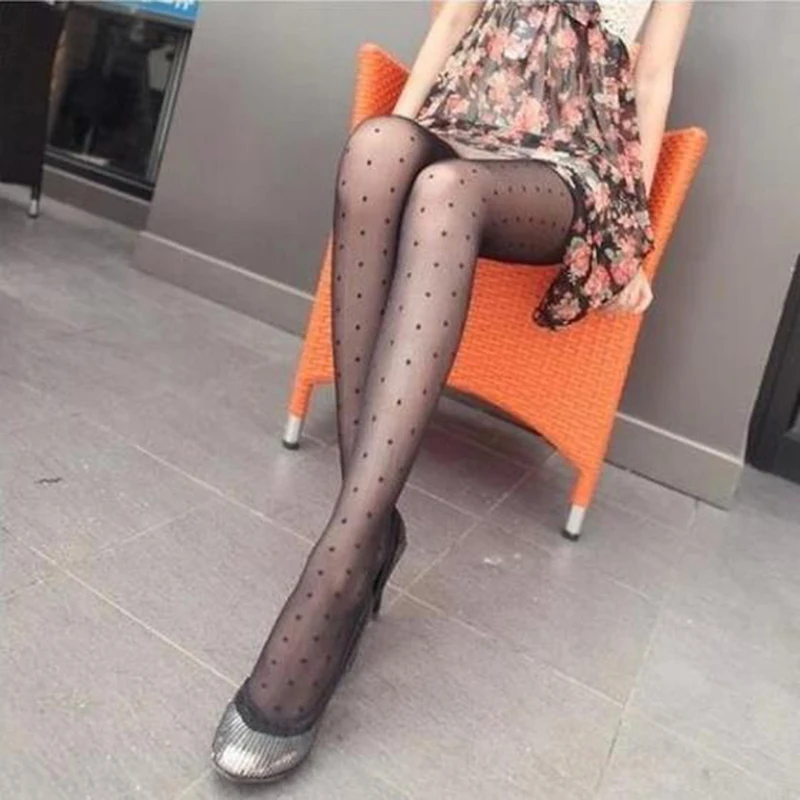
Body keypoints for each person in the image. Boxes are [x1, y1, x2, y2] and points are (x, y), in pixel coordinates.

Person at [211, 0, 693, 783]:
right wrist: (382, 151)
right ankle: (369, 538)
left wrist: (632, 242)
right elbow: (450, 22)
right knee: (377, 153)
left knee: (445, 193)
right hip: (466, 112)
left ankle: (339, 573)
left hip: (569, 162)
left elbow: (654, 76)